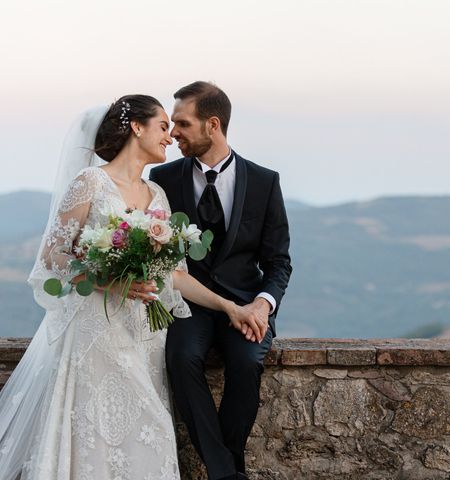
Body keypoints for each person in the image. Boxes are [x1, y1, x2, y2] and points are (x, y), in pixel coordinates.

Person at [0, 95, 262, 480]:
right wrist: (109, 280)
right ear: (136, 128)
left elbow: (175, 274)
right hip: (95, 334)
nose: (169, 137)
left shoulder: (157, 195)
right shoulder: (91, 182)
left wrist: (229, 307)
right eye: (161, 126)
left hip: (143, 339)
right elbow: (53, 255)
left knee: (148, 431)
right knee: (92, 435)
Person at [149, 81, 292, 480]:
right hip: (187, 303)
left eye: (182, 123)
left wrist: (262, 305)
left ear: (213, 125)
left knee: (247, 363)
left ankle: (224, 466)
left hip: (247, 302)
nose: (173, 132)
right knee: (180, 358)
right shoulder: (163, 178)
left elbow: (279, 261)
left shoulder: (264, 182)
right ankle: (228, 473)